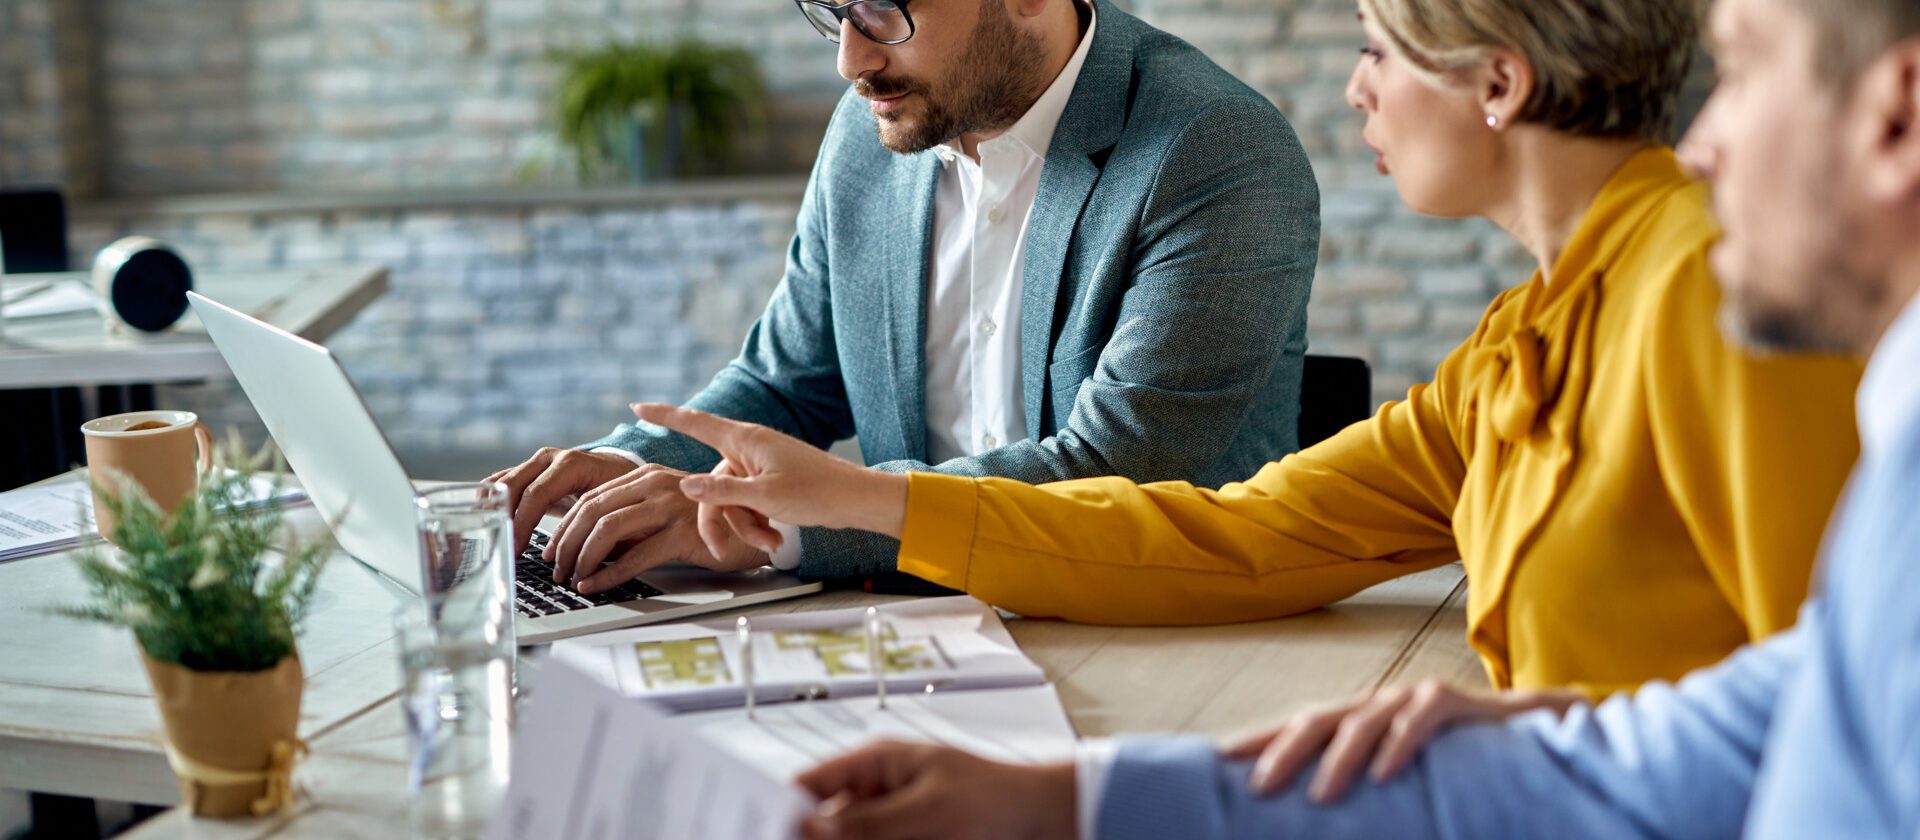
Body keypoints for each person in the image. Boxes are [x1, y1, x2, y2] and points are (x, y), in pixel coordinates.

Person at [744, 0, 1920, 835]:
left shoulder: (1708, 289)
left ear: (1499, 85)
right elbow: (1241, 534)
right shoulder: (1526, 338)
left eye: (1376, 47)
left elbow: (1831, 738)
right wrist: (867, 502)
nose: (1356, 87)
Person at [485, 0, 1321, 593]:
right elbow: (787, 383)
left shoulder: (1212, 149)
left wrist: (780, 522)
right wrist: (629, 471)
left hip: (1156, 630)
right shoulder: (871, 132)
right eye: (833, 9)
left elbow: (1113, 474)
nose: (851, 60)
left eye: (885, 9)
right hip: (918, 628)